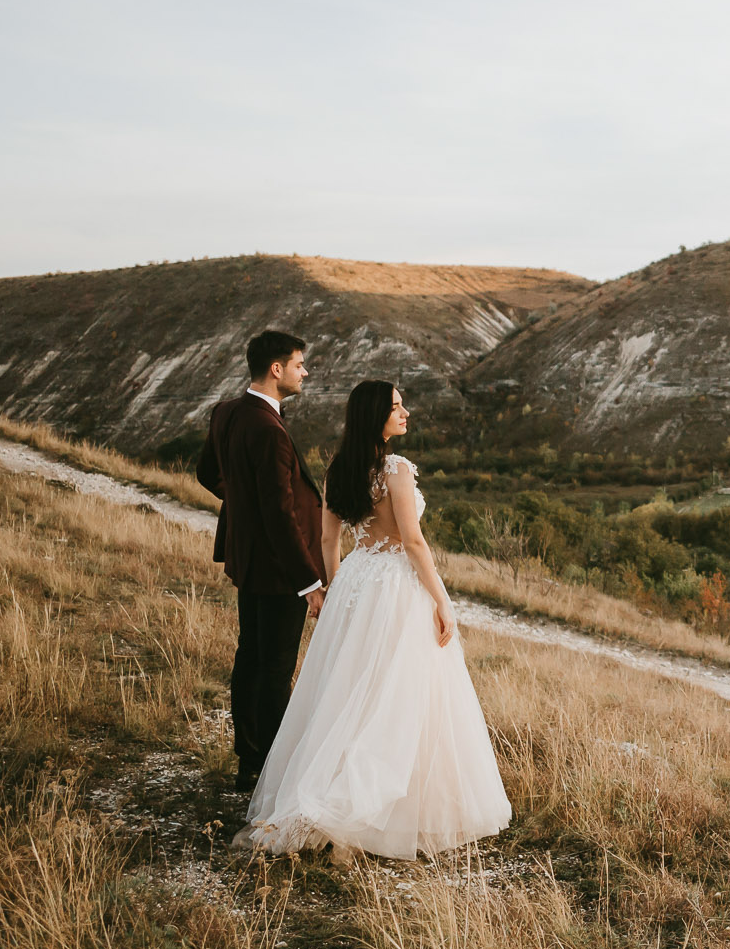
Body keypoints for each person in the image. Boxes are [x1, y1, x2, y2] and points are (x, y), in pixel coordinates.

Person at [235, 379, 512, 860]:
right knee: (397, 693)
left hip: (357, 582)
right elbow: (413, 543)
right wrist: (443, 601)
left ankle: (335, 792)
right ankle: (372, 806)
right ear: (375, 416)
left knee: (347, 692)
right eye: (397, 407)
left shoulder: (338, 469)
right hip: (395, 587)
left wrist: (340, 590)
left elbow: (328, 543)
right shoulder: (397, 469)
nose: (406, 413)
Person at [196, 330, 327, 795]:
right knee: (274, 668)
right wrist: (309, 580)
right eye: (298, 364)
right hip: (277, 569)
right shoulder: (269, 430)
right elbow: (280, 512)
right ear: (276, 369)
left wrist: (242, 509)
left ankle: (250, 761)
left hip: (248, 560)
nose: (303, 371)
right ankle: (272, 768)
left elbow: (207, 473)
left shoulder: (226, 413)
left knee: (249, 659)